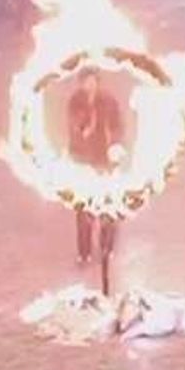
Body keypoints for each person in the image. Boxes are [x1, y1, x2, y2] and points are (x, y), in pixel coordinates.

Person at [67, 69, 123, 265]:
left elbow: (117, 126)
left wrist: (116, 146)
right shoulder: (76, 102)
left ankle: (107, 248)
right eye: (85, 82)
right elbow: (76, 128)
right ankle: (84, 252)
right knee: (84, 208)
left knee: (109, 205)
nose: (89, 85)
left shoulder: (108, 101)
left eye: (92, 81)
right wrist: (87, 121)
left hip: (105, 159)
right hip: (83, 160)